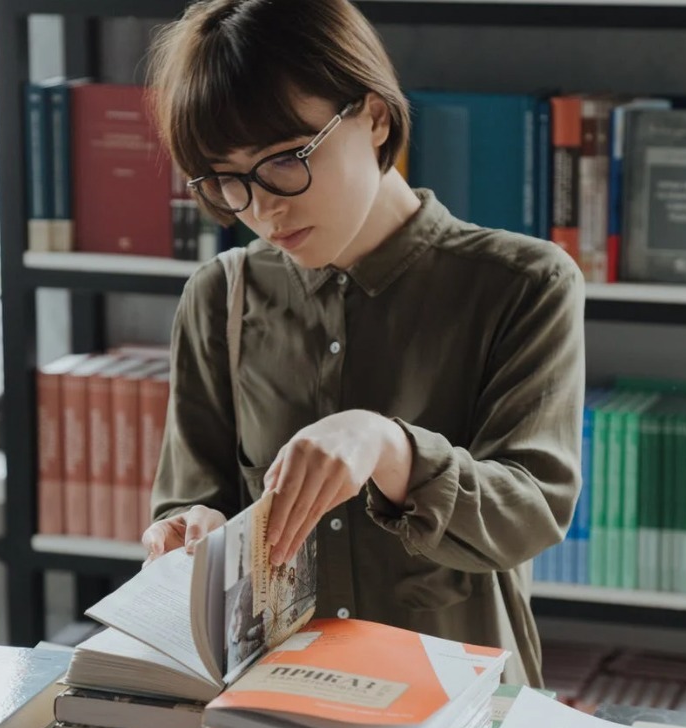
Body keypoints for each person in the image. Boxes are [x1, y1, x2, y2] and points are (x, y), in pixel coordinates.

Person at [140, 0, 585, 685]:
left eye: (286, 160)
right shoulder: (219, 297)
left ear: (374, 117)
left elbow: (531, 513)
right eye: (226, 179)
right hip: (275, 711)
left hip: (460, 713)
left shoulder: (523, 285)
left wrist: (389, 447)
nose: (260, 209)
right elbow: (191, 498)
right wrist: (185, 530)